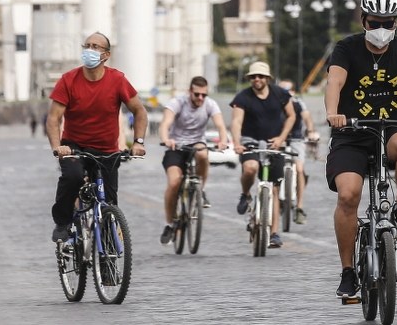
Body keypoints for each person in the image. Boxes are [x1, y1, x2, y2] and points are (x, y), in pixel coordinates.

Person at [325, 0, 397, 298]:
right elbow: (334, 82)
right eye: (375, 23)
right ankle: (348, 272)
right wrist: (333, 113)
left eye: (388, 23)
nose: (381, 29)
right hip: (351, 133)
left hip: (390, 129)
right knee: (348, 196)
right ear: (363, 21)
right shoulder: (346, 49)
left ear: (396, 24)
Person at [47, 32, 148, 242]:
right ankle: (63, 222)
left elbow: (139, 111)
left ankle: (109, 252)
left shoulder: (117, 80)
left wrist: (138, 142)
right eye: (87, 45)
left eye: (96, 47)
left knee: (109, 202)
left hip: (107, 150)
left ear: (106, 55)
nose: (90, 50)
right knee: (73, 177)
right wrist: (58, 147)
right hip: (74, 147)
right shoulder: (68, 80)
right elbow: (54, 118)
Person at [231, 61, 295, 249]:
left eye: (260, 76)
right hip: (250, 142)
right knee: (250, 168)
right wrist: (236, 143)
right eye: (253, 77)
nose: (256, 79)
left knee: (274, 189)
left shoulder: (280, 94)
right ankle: (245, 194)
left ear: (267, 78)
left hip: (273, 144)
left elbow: (291, 116)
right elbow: (236, 121)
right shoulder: (243, 97)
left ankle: (274, 233)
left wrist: (282, 138)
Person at [158, 76, 228, 245]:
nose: (200, 98)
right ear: (190, 92)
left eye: (204, 95)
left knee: (203, 153)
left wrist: (223, 140)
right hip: (176, 146)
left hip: (196, 143)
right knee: (174, 183)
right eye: (197, 94)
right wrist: (166, 139)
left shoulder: (210, 104)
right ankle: (169, 224)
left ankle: (200, 190)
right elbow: (165, 123)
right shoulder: (178, 102)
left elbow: (220, 125)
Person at [278, 79, 319, 225]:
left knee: (300, 170)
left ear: (293, 92)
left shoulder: (298, 103)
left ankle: (299, 208)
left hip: (296, 139)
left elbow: (307, 118)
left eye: (288, 90)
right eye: (282, 90)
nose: (285, 93)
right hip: (278, 139)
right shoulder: (274, 103)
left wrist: (311, 131)